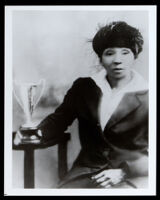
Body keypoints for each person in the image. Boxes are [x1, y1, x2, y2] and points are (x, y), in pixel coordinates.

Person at [14, 21, 148, 188]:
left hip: (133, 175)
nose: (117, 60)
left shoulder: (149, 94)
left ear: (134, 56)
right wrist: (35, 133)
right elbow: (59, 119)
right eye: (109, 53)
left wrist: (124, 172)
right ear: (100, 58)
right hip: (87, 171)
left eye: (125, 53)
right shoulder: (84, 87)